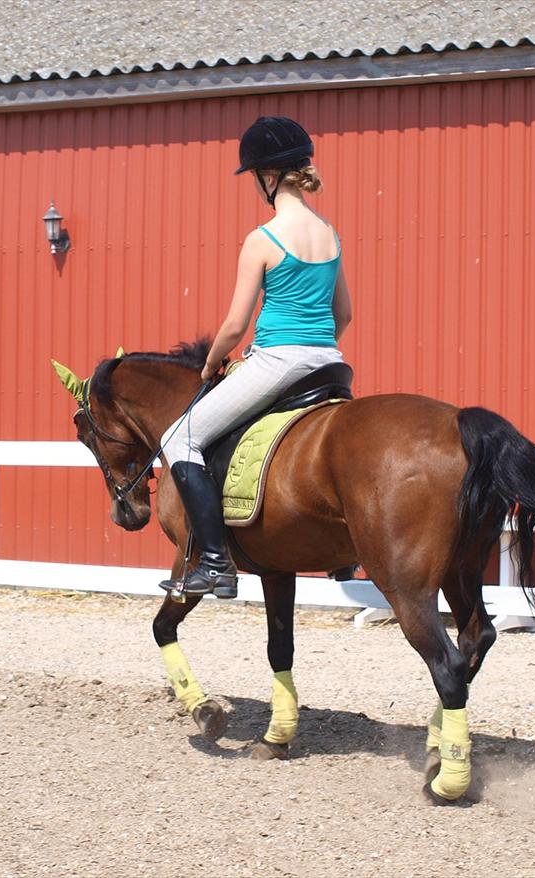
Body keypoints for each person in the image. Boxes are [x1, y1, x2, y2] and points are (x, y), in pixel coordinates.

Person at [160, 115, 354, 599]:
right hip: (329, 361)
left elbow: (234, 326)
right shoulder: (330, 234)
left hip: (277, 362)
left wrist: (210, 366)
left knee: (179, 438)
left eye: (253, 178)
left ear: (268, 177)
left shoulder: (262, 240)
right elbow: (344, 313)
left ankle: (214, 562)